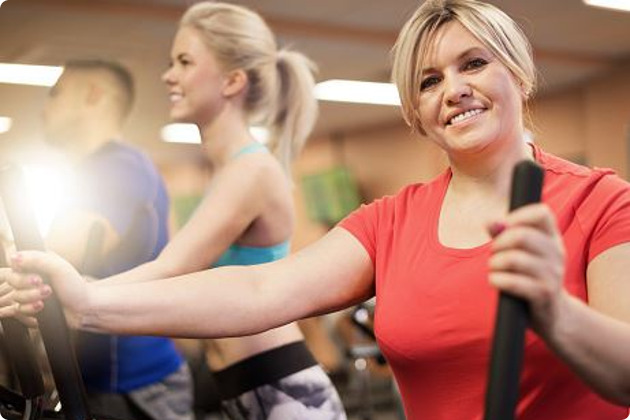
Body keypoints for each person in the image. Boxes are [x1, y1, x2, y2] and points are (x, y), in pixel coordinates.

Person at [2, 0, 630, 418]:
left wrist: (553, 310)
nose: (453, 89)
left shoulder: (602, 202)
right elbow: (258, 290)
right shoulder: (392, 220)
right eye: (429, 80)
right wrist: (85, 301)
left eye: (473, 64)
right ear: (415, 110)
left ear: (517, 74)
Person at [12, 3, 345, 420]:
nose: (169, 75)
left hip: (281, 389)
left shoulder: (250, 170)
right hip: (241, 386)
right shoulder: (229, 172)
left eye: (185, 62)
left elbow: (171, 269)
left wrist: (75, 295)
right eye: (172, 62)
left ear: (232, 81)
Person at [32, 60, 194, 420]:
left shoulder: (117, 165)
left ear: (93, 95)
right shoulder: (104, 168)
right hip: (109, 376)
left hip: (132, 384)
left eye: (55, 94)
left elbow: (59, 253)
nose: (45, 107)